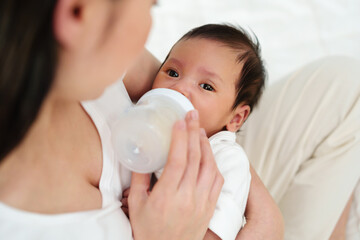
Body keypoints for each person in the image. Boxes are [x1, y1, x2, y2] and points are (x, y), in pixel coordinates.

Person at [0, 0, 283, 240]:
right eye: (149, 5)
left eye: (206, 86)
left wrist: (266, 214)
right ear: (78, 12)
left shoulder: (92, 62)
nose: (179, 88)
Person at [121, 24, 265, 240]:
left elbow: (215, 233)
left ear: (235, 118)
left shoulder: (227, 161)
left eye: (206, 86)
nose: (179, 87)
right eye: (172, 72)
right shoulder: (145, 120)